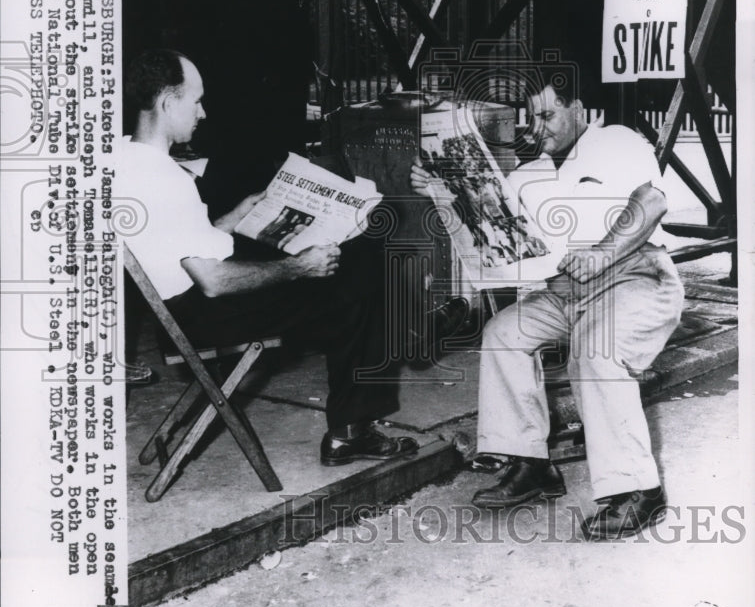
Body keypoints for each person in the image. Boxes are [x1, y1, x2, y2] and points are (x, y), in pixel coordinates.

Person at [411, 71, 685, 540]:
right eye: (530, 120)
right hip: (563, 290)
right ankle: (531, 464)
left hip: (635, 275)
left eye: (548, 114)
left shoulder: (616, 141)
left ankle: (640, 491)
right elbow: (495, 245)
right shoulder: (527, 175)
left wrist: (602, 251)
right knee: (503, 334)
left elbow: (652, 201)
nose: (539, 128)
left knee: (595, 349)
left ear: (577, 107)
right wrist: (441, 196)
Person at [119, 48, 419, 465]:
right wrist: (300, 267)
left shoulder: (124, 160)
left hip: (176, 310)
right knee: (361, 267)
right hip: (207, 316)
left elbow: (175, 247)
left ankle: (408, 339)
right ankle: (358, 419)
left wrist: (238, 214)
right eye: (196, 100)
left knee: (348, 271)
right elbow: (213, 281)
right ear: (169, 102)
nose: (202, 113)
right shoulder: (167, 180)